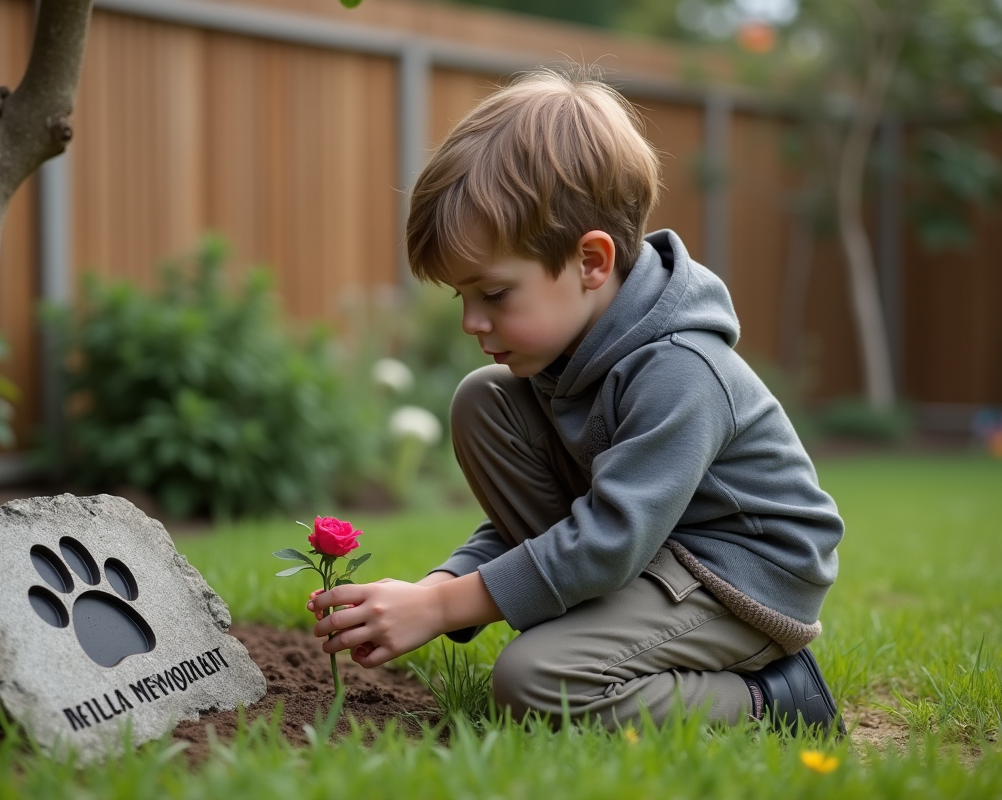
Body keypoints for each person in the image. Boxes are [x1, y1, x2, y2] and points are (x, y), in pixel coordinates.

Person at [309, 68, 845, 734]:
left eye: (493, 293)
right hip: (648, 552)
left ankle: (777, 700)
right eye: (461, 297)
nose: (472, 321)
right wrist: (435, 590)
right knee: (484, 400)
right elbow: (561, 521)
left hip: (735, 580)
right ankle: (595, 624)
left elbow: (606, 540)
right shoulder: (568, 358)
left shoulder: (679, 370)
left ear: (591, 262)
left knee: (536, 680)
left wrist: (446, 608)